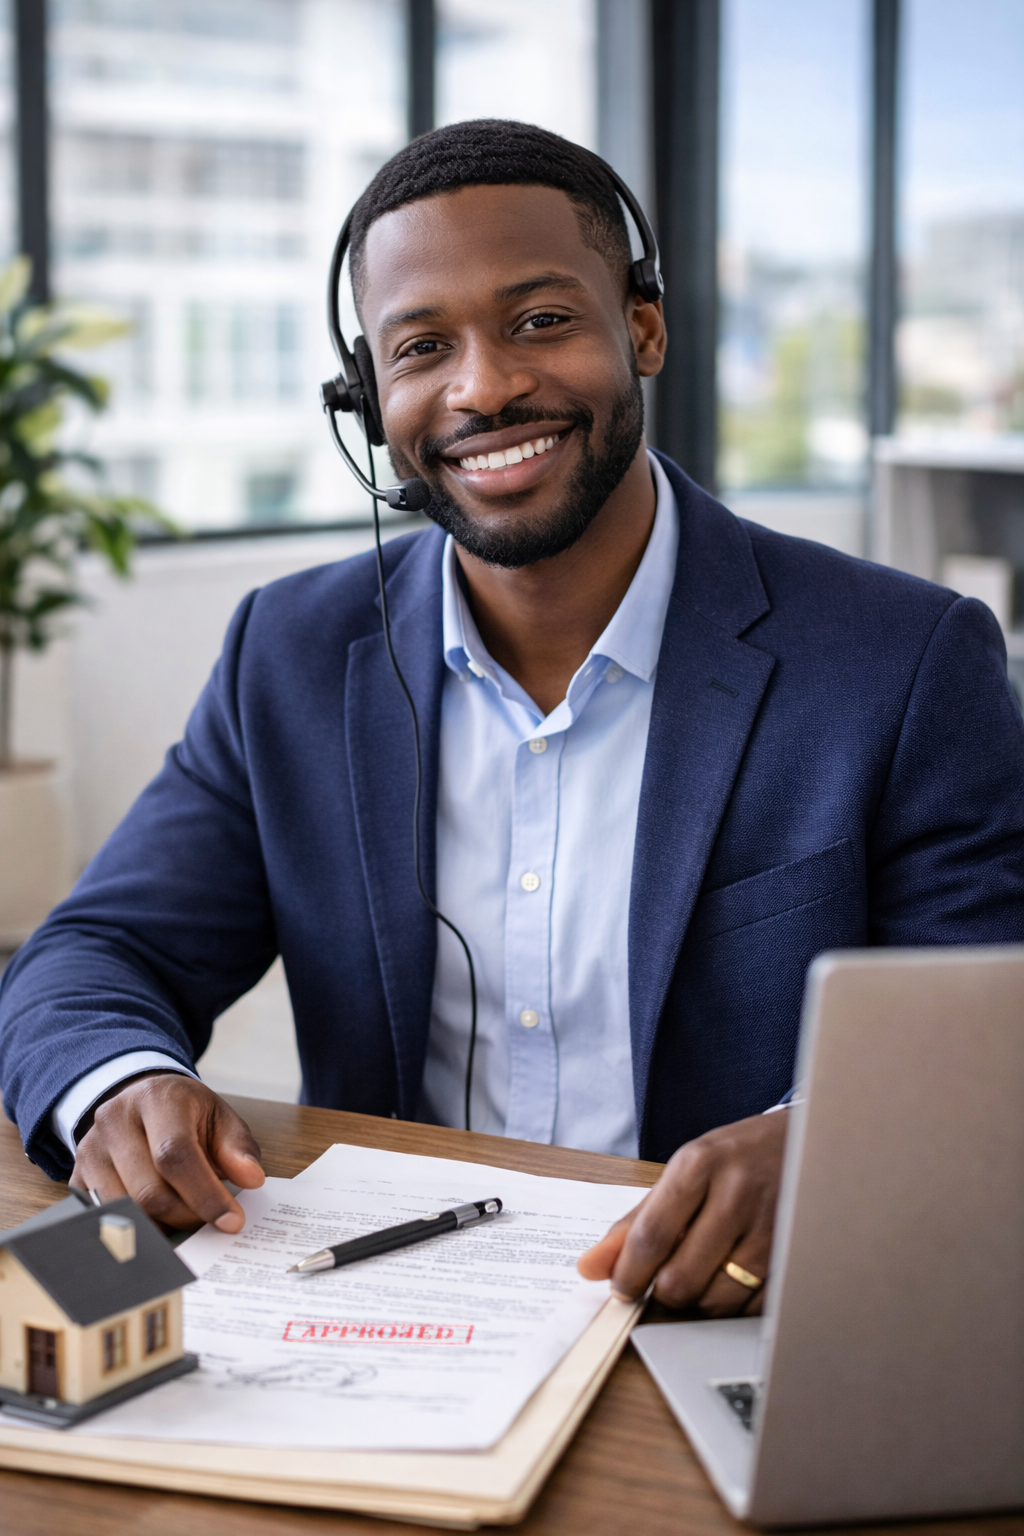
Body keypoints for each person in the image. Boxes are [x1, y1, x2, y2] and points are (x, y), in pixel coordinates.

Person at [2, 121, 1022, 1318]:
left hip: (732, 1309)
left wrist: (827, 1140)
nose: (482, 388)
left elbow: (989, 1019)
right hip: (397, 1304)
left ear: (641, 328)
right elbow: (91, 956)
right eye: (421, 345)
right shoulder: (288, 654)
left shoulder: (902, 660)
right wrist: (121, 1085)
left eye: (540, 320)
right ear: (365, 391)